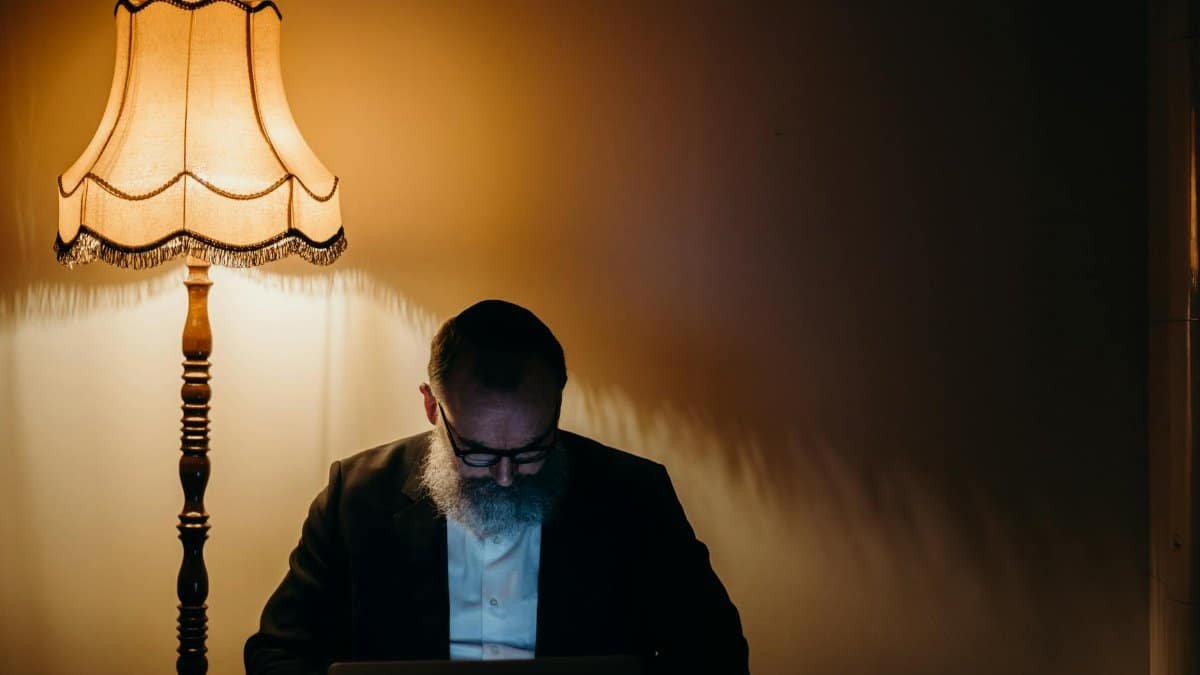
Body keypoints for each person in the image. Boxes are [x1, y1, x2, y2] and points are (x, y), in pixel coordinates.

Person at [245, 300, 749, 674]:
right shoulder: (354, 496)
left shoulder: (636, 496)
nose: (506, 477)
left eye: (532, 449)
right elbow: (278, 654)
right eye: (478, 452)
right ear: (431, 408)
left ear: (557, 407)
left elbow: (716, 654)